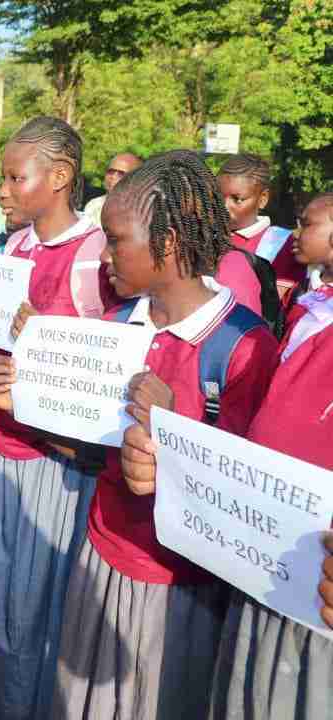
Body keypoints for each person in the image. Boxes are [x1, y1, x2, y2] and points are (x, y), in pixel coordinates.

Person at [50, 150, 279, 719]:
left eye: (116, 240)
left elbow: (246, 492)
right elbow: (83, 443)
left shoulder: (242, 346)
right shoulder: (115, 327)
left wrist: (173, 432)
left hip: (180, 584)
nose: (104, 257)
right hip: (103, 548)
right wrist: (29, 391)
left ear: (169, 242)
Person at [0, 116, 115, 720]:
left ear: (60, 178)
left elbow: (108, 362)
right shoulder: (13, 247)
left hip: (59, 464)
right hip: (6, 448)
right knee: (7, 589)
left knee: (45, 598)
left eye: (15, 177)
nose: (3, 190)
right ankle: (8, 700)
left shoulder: (95, 256)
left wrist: (47, 339)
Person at [207, 192, 333, 720]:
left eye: (311, 223)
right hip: (268, 535)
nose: (299, 232)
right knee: (253, 674)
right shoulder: (311, 307)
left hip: (319, 557)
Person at [217, 153, 302, 299]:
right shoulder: (201, 236)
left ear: (263, 199)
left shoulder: (282, 244)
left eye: (237, 199)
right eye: (217, 196)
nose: (224, 207)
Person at [82, 152, 142, 226]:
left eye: (121, 174)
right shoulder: (94, 206)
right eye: (110, 172)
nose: (113, 177)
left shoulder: (144, 210)